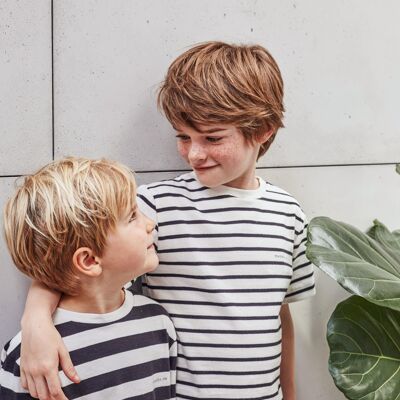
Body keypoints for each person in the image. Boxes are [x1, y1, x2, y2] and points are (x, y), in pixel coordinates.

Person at [18, 42, 315, 400]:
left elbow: (279, 316)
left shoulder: (288, 214)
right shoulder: (152, 207)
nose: (194, 153)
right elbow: (67, 266)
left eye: (212, 138)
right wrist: (35, 322)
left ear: (263, 131)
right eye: (183, 137)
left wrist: (291, 391)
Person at [0, 158, 177, 399]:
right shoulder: (29, 356)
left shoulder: (158, 323)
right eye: (132, 217)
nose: (150, 223)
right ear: (90, 261)